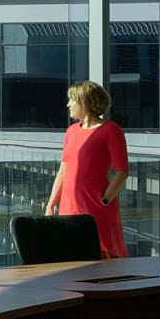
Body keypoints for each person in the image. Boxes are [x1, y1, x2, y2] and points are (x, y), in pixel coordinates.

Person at [46, 80, 130, 258]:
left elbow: (122, 171)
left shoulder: (111, 130)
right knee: (71, 254)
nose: (68, 104)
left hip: (96, 204)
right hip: (69, 205)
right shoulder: (71, 131)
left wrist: (105, 199)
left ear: (85, 102)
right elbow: (63, 170)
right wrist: (51, 204)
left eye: (72, 100)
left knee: (103, 255)